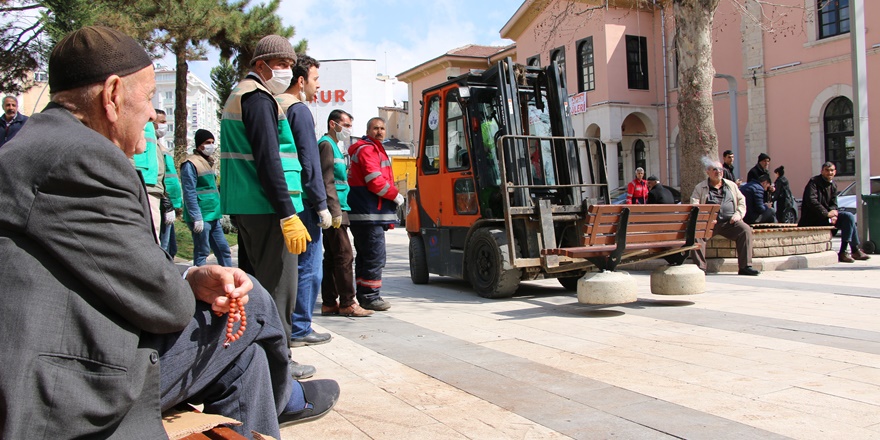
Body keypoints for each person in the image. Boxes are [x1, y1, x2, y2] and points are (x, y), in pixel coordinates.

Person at [0, 26, 338, 439]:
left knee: (246, 359)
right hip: (66, 387)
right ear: (111, 95)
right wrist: (184, 286)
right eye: (145, 99)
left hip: (59, 347)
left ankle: (278, 395)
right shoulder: (83, 159)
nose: (149, 115)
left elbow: (107, 266)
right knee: (252, 302)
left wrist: (190, 275)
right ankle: (286, 395)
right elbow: (164, 307)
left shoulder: (33, 143)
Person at [219, 34, 316, 379]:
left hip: (250, 205)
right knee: (279, 290)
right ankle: (278, 366)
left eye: (291, 65)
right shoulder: (258, 98)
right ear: (260, 65)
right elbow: (268, 160)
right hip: (269, 209)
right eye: (281, 64)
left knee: (256, 287)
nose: (287, 72)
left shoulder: (243, 95)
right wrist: (288, 213)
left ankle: (255, 362)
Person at [276, 54, 333, 346]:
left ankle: (288, 326)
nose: (318, 85)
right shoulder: (298, 109)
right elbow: (309, 160)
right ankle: (300, 328)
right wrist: (321, 203)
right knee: (310, 266)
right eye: (315, 79)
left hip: (280, 197)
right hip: (303, 201)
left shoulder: (272, 104)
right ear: (301, 81)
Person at [319, 110, 373, 318]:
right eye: (346, 125)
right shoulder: (326, 145)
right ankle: (348, 303)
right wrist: (334, 210)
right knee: (344, 255)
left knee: (333, 257)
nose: (349, 129)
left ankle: (330, 302)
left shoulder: (335, 147)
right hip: (336, 208)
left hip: (340, 206)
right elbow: (327, 180)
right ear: (333, 124)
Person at [348, 117, 403, 311]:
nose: (379, 131)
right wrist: (395, 195)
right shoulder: (368, 150)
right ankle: (371, 297)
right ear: (368, 130)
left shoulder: (372, 148)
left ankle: (364, 294)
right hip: (369, 213)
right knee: (374, 256)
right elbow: (375, 181)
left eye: (382, 128)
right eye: (375, 128)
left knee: (365, 256)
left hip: (366, 212)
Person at [690, 157, 760, 276]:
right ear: (708, 171)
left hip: (730, 223)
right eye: (715, 169)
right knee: (697, 234)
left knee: (745, 230)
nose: (718, 172)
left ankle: (745, 266)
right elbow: (694, 204)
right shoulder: (700, 187)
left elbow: (742, 201)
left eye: (720, 169)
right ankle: (700, 268)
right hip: (709, 224)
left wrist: (738, 215)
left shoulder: (731, 185)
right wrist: (704, 217)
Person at [798, 162, 870, 262]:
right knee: (848, 218)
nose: (829, 173)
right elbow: (811, 201)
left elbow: (834, 203)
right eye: (827, 170)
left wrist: (833, 214)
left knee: (849, 217)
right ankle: (854, 250)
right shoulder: (814, 182)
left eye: (831, 170)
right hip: (814, 218)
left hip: (827, 218)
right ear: (822, 171)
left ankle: (846, 251)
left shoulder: (833, 185)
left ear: (835, 172)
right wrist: (826, 213)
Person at [181, 129, 233, 267]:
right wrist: (196, 217)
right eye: (207, 143)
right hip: (202, 216)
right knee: (202, 252)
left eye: (212, 142)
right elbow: (189, 192)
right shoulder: (190, 164)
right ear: (199, 145)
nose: (211, 146)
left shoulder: (207, 162)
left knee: (223, 250)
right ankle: (198, 283)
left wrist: (219, 213)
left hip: (213, 215)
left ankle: (229, 279)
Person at [132, 113, 165, 240]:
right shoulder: (135, 119)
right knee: (149, 234)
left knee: (154, 232)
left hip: (153, 187)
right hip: (143, 184)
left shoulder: (150, 129)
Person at [156, 109, 182, 257]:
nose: (165, 126)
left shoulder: (163, 148)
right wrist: (166, 204)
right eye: (162, 122)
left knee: (171, 249)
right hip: (163, 204)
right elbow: (160, 178)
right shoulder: (153, 147)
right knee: (164, 247)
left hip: (170, 204)